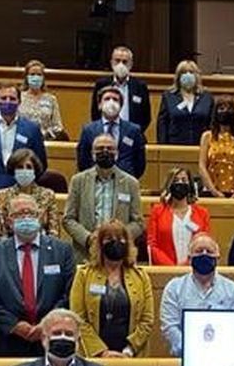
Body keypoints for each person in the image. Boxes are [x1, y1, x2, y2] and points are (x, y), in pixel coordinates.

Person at [0, 191, 76, 357]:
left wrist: (47, 323)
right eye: (19, 214)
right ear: (9, 221)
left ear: (40, 217)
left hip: (51, 337)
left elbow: (68, 292)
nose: (26, 218)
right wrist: (14, 325)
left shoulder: (62, 250)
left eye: (31, 213)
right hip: (6, 340)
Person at [71, 221, 154, 358]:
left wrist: (129, 350)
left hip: (130, 356)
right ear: (100, 244)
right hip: (93, 356)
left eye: (121, 239)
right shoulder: (84, 275)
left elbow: (147, 320)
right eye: (109, 239)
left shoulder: (141, 277)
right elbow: (78, 318)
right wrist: (101, 352)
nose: (116, 243)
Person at [160, 233, 234, 356]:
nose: (204, 255)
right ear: (189, 258)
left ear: (217, 258)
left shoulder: (233, 290)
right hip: (183, 357)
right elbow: (170, 327)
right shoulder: (174, 288)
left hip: (222, 356)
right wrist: (192, 350)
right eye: (199, 251)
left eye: (209, 252)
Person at [64, 134, 144, 263]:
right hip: (85, 254)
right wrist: (89, 238)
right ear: (92, 153)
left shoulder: (131, 183)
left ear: (117, 153)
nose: (105, 152)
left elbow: (138, 223)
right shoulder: (78, 181)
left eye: (110, 148)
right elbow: (68, 219)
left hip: (119, 254)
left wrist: (117, 237)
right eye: (100, 149)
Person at [0, 82, 47, 187]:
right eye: (3, 98)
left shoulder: (32, 128)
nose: (7, 101)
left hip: (20, 187)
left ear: (19, 101)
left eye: (12, 99)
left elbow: (40, 162)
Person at [74, 84, 148, 179]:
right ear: (100, 105)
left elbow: (140, 163)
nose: (111, 102)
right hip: (95, 179)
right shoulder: (88, 130)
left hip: (125, 180)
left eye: (115, 99)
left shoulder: (133, 130)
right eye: (107, 99)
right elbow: (83, 161)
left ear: (121, 106)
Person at [146, 167, 211, 266]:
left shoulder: (202, 213)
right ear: (170, 185)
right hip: (164, 269)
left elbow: (205, 244)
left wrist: (186, 266)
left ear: (190, 185)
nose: (180, 183)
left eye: (184, 180)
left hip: (193, 269)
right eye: (176, 180)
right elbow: (152, 245)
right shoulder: (157, 212)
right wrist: (172, 268)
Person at [0, 146, 60, 239]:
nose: (24, 171)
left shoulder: (48, 195)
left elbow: (54, 231)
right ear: (13, 170)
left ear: (35, 170)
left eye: (29, 167)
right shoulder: (2, 195)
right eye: (20, 167)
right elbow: (2, 232)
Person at [197, 94, 234, 198]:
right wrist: (214, 191)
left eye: (229, 109)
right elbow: (202, 165)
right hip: (211, 191)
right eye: (221, 108)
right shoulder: (207, 136)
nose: (225, 111)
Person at [91, 45, 152, 128]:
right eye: (117, 61)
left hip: (132, 133)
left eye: (124, 62)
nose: (121, 65)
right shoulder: (101, 84)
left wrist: (135, 132)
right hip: (106, 132)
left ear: (131, 64)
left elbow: (146, 117)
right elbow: (95, 113)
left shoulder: (140, 86)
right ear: (111, 62)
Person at [157, 59, 214, 147]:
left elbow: (212, 124)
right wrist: (162, 147)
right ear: (178, 77)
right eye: (184, 72)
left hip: (201, 146)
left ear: (197, 76)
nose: (188, 75)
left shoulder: (206, 97)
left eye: (191, 72)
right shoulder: (168, 96)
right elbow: (162, 125)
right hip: (174, 146)